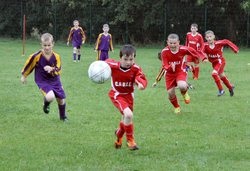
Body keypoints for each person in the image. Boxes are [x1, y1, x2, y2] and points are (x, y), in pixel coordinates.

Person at [105, 44, 147, 150]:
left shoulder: (136, 69)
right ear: (120, 58)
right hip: (117, 94)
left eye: (131, 59)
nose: (128, 62)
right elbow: (103, 64)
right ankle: (130, 141)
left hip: (129, 96)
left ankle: (118, 136)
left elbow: (140, 77)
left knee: (125, 119)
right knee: (128, 115)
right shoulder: (113, 65)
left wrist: (141, 84)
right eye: (125, 59)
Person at [21, 33, 68, 122]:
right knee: (50, 97)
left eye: (49, 45)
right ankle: (46, 104)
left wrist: (52, 69)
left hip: (55, 80)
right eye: (44, 45)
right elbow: (29, 65)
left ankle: (63, 117)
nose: (47, 47)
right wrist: (24, 75)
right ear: (41, 45)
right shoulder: (36, 56)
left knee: (61, 99)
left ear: (52, 44)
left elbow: (59, 69)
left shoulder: (57, 56)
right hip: (42, 81)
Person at [161, 33, 206, 114]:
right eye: (170, 43)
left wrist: (202, 58)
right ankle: (177, 107)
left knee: (182, 85)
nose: (172, 45)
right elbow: (164, 64)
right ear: (167, 42)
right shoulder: (164, 52)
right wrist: (170, 67)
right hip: (169, 75)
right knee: (170, 93)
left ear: (178, 42)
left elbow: (194, 52)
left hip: (180, 71)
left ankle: (184, 93)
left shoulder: (183, 49)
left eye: (174, 43)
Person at [203, 30, 239, 96]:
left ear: (213, 37)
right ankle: (230, 88)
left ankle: (221, 90)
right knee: (222, 76)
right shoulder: (205, 45)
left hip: (220, 61)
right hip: (214, 63)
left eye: (210, 36)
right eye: (207, 37)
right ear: (205, 38)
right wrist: (204, 58)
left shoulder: (218, 43)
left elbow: (226, 41)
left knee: (214, 74)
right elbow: (202, 52)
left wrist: (235, 49)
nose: (209, 38)